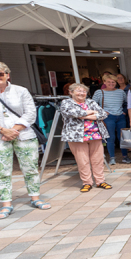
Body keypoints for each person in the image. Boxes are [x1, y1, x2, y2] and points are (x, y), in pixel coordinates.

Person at [0, 62, 49, 219]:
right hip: (1, 136)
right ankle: (6, 204)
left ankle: (35, 197)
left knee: (30, 168)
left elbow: (30, 113)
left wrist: (12, 131)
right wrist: (3, 130)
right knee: (2, 171)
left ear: (7, 75)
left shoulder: (20, 91)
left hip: (24, 134)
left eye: (0, 74)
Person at [59, 83, 111, 192]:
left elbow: (103, 114)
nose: (81, 93)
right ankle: (87, 182)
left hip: (95, 134)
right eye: (78, 91)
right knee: (82, 160)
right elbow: (73, 113)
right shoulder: (66, 103)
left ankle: (100, 181)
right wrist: (91, 113)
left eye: (83, 91)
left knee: (98, 159)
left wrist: (84, 115)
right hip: (77, 136)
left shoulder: (90, 102)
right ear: (71, 92)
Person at [93, 73, 128, 166]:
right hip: (108, 117)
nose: (111, 84)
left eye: (113, 82)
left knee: (122, 137)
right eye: (109, 82)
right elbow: (93, 105)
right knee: (110, 137)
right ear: (104, 82)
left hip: (120, 116)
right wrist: (102, 112)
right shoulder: (99, 92)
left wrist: (124, 111)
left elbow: (126, 103)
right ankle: (112, 158)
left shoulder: (121, 92)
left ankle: (125, 156)